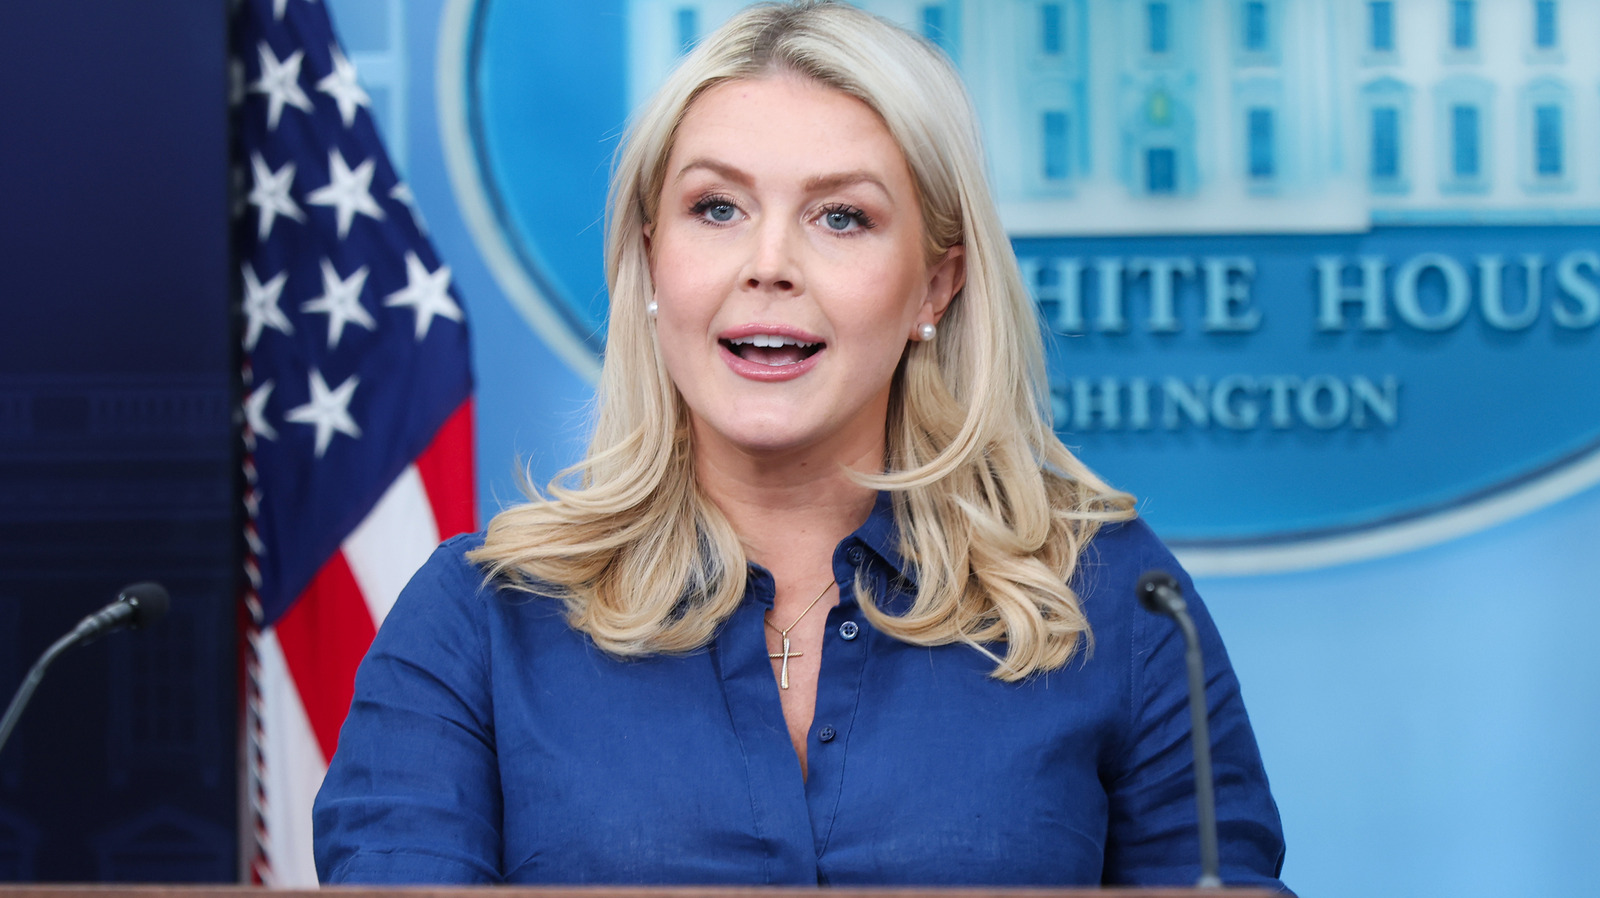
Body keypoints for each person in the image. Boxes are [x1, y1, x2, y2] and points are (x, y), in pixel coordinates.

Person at [314, 0, 1288, 889]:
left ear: (936, 285)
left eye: (841, 217)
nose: (769, 264)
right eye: (718, 208)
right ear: (651, 257)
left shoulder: (1110, 598)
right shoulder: (481, 621)